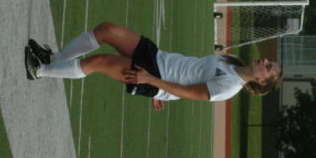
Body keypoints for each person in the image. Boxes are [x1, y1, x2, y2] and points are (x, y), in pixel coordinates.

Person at [24, 22, 282, 110]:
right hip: (159, 58)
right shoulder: (232, 61)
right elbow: (191, 72)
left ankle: (40, 71)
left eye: (268, 68)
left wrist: (153, 84)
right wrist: (162, 93)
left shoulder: (229, 87)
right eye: (269, 62)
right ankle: (54, 60)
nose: (265, 61)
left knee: (99, 62)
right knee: (107, 30)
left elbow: (188, 93)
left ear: (261, 82)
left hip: (154, 75)